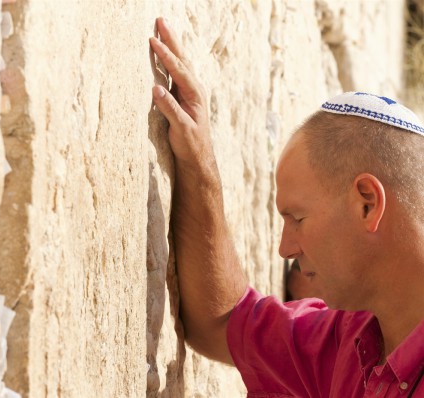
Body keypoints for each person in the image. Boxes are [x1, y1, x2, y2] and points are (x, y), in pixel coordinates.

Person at [149, 17, 424, 397]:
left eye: (296, 218)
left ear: (367, 204)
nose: (285, 249)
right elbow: (223, 321)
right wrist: (199, 165)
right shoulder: (350, 343)